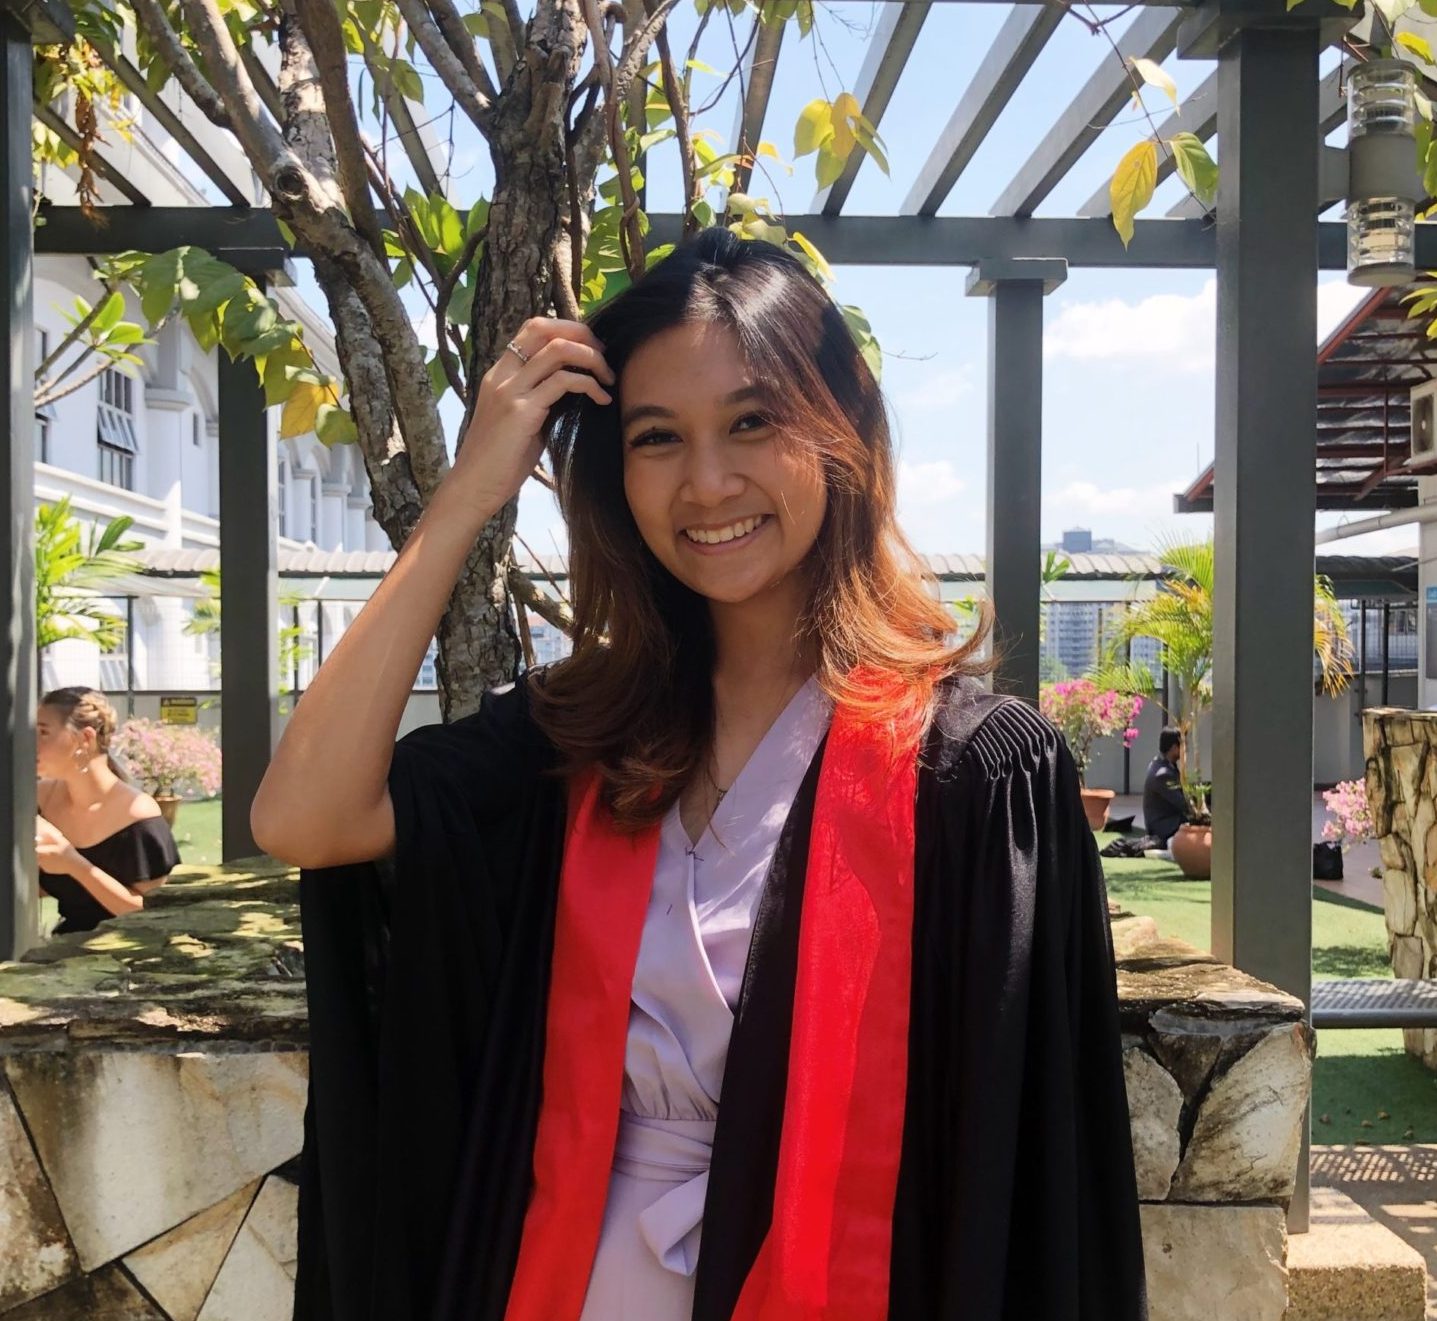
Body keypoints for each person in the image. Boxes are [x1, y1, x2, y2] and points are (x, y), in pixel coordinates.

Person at [254, 230, 1148, 1321]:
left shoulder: (973, 778)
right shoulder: (571, 744)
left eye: (752, 422)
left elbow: (1036, 1175)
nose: (707, 481)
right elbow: (305, 817)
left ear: (844, 435)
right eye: (656, 437)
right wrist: (463, 504)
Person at [36, 686, 181, 936]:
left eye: (43, 732)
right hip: (63, 953)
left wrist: (74, 864)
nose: (32, 744)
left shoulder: (138, 817)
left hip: (129, 960)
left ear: (85, 739)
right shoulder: (39, 800)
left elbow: (156, 915)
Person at [1142, 727, 1191, 847]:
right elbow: (1183, 804)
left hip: (1168, 820)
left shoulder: (1163, 764)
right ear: (1174, 748)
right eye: (1183, 746)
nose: (1186, 750)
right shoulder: (1163, 773)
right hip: (1164, 827)